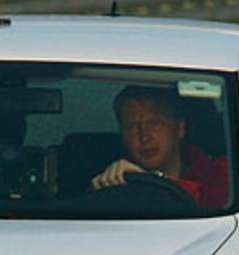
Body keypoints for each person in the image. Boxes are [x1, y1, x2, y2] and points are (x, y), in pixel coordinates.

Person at [89, 85, 230, 208]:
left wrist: (151, 181)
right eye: (132, 127)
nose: (144, 137)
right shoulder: (113, 182)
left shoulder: (219, 173)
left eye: (155, 124)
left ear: (179, 128)